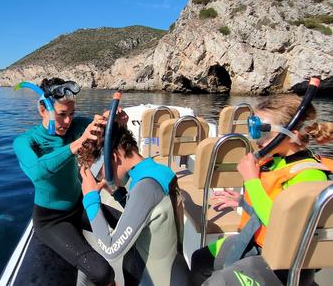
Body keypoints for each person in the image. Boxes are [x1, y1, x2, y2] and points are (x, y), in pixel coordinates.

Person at [190, 95, 332, 286]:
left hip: (281, 266)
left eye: (263, 132)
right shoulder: (276, 162)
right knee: (201, 259)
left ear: (293, 134)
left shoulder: (309, 175)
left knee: (217, 282)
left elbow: (279, 224)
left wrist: (251, 181)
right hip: (258, 245)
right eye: (253, 131)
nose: (256, 140)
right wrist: (242, 202)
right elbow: (271, 203)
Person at [13, 77, 122, 285]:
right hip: (52, 220)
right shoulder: (26, 141)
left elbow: (102, 127)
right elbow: (37, 171)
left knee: (134, 226)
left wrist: (113, 121)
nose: (68, 121)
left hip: (79, 206)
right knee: (102, 273)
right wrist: (78, 143)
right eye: (61, 115)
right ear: (42, 111)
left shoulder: (77, 126)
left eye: (71, 114)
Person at [78, 120, 192, 286]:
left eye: (99, 173)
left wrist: (90, 199)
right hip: (170, 270)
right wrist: (116, 191)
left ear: (114, 157)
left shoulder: (145, 187)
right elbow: (147, 214)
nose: (100, 179)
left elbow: (111, 249)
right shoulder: (155, 172)